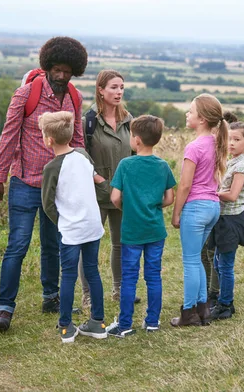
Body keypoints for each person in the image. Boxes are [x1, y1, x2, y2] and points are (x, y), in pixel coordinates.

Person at [0, 36, 88, 333]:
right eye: (56, 70)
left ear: (74, 71)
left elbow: (78, 138)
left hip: (59, 185)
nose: (60, 76)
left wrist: (86, 174)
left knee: (52, 244)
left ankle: (50, 297)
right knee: (17, 245)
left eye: (66, 71)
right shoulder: (25, 94)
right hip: (24, 181)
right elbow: (8, 136)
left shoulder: (74, 97)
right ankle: (5, 309)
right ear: (47, 67)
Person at [105, 115, 175, 337]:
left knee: (129, 277)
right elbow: (169, 198)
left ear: (136, 140)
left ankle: (125, 325)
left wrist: (128, 208)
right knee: (153, 275)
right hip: (155, 229)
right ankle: (152, 321)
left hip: (132, 231)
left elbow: (115, 197)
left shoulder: (126, 165)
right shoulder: (162, 165)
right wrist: (153, 206)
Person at [40, 111, 106, 343]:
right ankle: (98, 322)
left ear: (48, 139)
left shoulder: (51, 168)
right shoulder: (83, 155)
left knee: (68, 275)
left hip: (71, 231)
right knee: (92, 272)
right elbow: (97, 180)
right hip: (93, 226)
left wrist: (61, 222)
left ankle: (66, 326)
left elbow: (47, 204)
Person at [79, 69, 137, 306]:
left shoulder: (130, 121)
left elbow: (136, 155)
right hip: (96, 194)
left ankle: (120, 290)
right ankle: (88, 295)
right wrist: (99, 180)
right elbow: (80, 156)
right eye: (114, 87)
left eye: (121, 87)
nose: (119, 92)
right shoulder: (88, 122)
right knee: (90, 244)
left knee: (121, 244)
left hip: (123, 194)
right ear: (100, 90)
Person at [171, 94, 227, 328]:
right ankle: (203, 310)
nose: (187, 114)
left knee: (191, 261)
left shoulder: (194, 147)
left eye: (191, 111)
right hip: (212, 207)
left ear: (202, 119)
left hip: (195, 208)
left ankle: (188, 313)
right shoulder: (217, 143)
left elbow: (185, 185)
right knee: (197, 260)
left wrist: (176, 213)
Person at [210, 122, 244, 320]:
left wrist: (211, 193)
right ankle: (224, 299)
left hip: (232, 220)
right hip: (223, 219)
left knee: (225, 264)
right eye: (229, 139)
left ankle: (226, 305)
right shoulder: (232, 161)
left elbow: (232, 195)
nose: (231, 143)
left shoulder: (242, 166)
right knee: (218, 261)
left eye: (237, 140)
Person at [201, 110, 238, 307]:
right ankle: (207, 290)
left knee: (213, 253)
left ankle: (214, 293)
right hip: (209, 206)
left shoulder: (232, 160)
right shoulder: (210, 149)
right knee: (205, 252)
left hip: (221, 211)